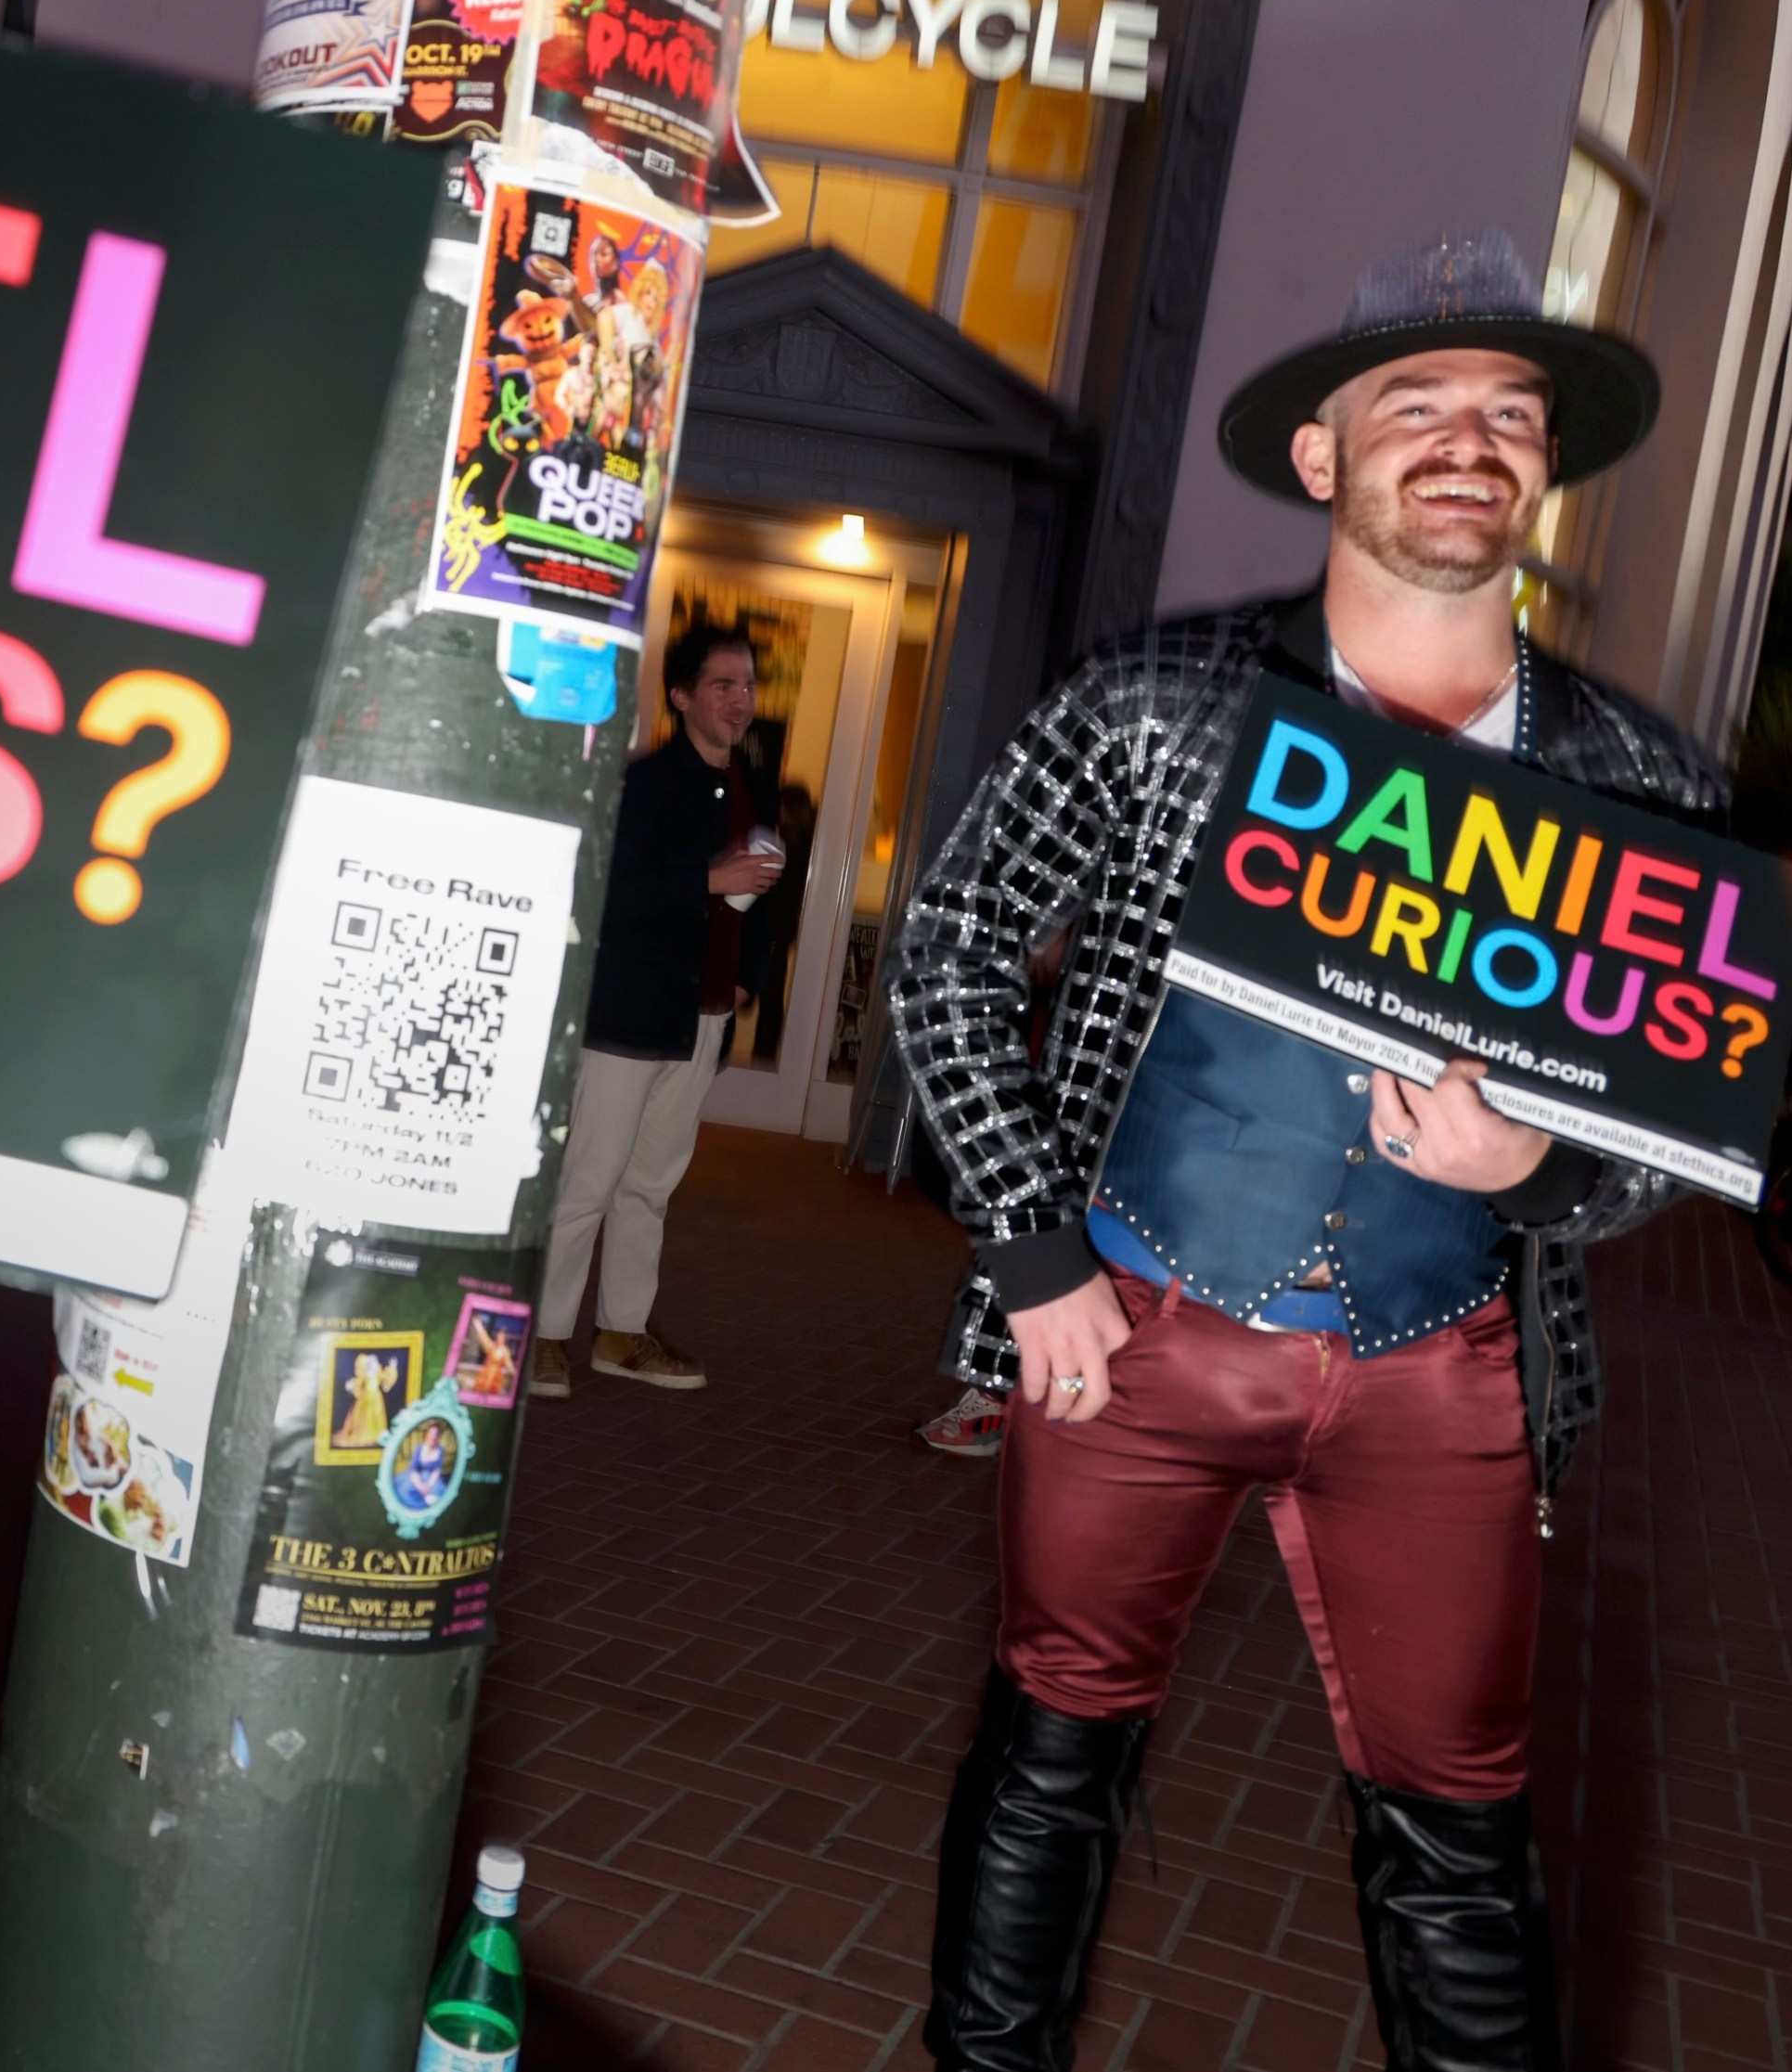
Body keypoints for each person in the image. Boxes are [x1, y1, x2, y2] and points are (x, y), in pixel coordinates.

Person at [889, 233, 1726, 2071]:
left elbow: (1680, 1125)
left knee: (1463, 1828)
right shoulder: (1155, 705)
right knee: (1050, 1755)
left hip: (1446, 1367)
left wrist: (1542, 1172)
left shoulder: (1640, 790)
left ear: (1548, 466)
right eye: (1412, 405)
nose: (1467, 440)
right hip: (1138, 1323)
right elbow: (949, 948)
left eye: (1509, 414)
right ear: (1322, 457)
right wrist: (1032, 1253)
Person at [529, 622, 782, 1398]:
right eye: (723, 685)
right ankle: (540, 1334)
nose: (741, 701)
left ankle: (620, 1332)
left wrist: (749, 978)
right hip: (631, 1010)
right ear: (681, 695)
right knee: (589, 1177)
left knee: (651, 1183)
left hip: (703, 1012)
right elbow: (600, 893)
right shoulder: (643, 783)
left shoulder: (755, 783)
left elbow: (771, 892)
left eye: (747, 686)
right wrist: (706, 880)